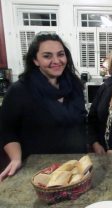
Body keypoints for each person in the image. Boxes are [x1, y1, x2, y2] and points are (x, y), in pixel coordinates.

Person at [0, 32, 87, 181]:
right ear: (35, 60)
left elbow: (81, 121)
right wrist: (15, 158)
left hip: (74, 167)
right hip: (39, 170)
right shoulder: (20, 90)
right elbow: (7, 131)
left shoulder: (74, 85)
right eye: (47, 56)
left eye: (60, 54)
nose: (56, 61)